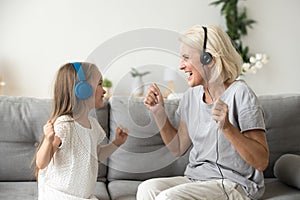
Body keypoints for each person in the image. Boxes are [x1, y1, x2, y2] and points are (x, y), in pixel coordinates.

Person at [138, 25, 269, 200]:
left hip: (235, 184)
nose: (181, 66)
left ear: (208, 58)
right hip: (197, 179)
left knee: (167, 198)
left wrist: (228, 128)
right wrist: (159, 113)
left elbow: (261, 161)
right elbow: (178, 148)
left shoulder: (241, 93)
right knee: (147, 188)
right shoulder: (191, 96)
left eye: (186, 58)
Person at [34, 62, 128, 200]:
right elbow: (42, 164)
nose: (104, 90)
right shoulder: (64, 125)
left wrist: (117, 143)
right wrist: (48, 141)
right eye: (99, 83)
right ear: (83, 89)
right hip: (59, 196)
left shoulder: (94, 126)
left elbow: (97, 155)